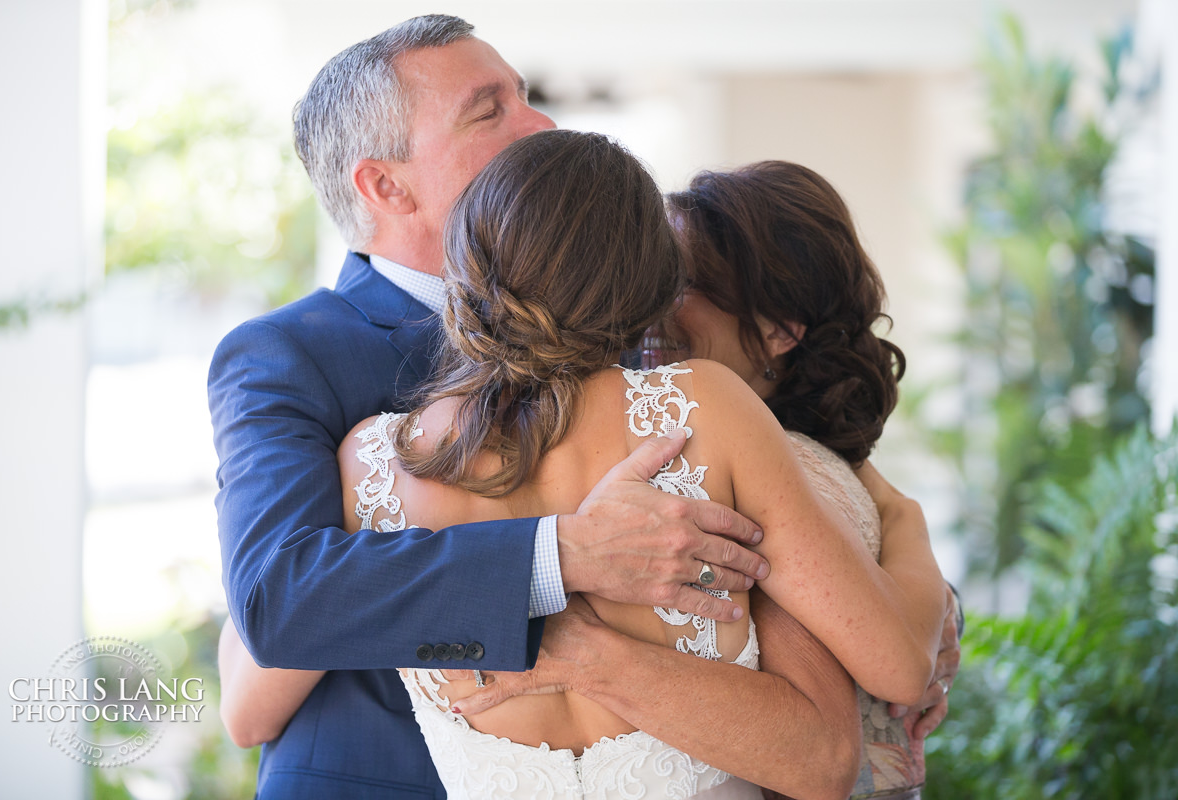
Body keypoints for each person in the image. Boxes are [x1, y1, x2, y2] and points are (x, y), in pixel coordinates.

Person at [221, 129, 951, 798]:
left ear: (466, 264)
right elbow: (885, 679)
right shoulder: (704, 412)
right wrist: (899, 522)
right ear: (648, 282)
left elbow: (247, 697)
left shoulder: (374, 463)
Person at [208, 16, 768, 799]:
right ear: (385, 185)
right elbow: (279, 597)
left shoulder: (624, 314)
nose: (539, 124)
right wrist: (563, 552)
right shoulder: (287, 355)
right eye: (488, 110)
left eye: (526, 97)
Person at [657, 160, 959, 798]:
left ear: (779, 330)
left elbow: (901, 668)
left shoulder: (780, 470)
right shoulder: (823, 464)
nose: (649, 303)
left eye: (680, 281)